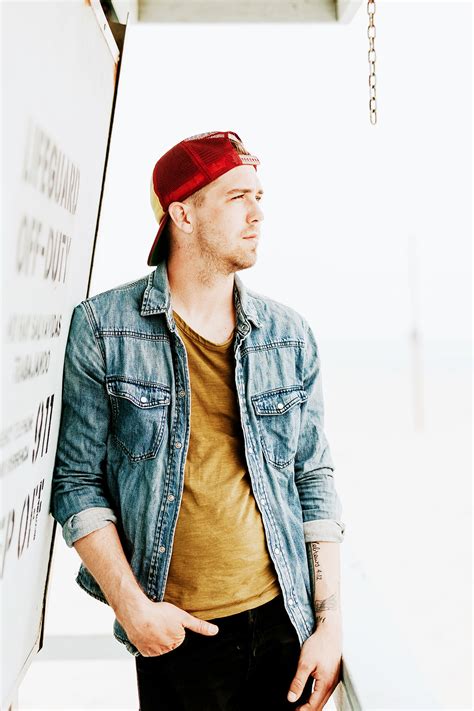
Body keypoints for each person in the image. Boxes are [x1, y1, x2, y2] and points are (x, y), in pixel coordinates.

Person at [51, 130, 346, 711]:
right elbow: (76, 483)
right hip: (177, 635)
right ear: (182, 214)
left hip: (283, 626)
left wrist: (329, 625)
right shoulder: (104, 329)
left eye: (259, 196)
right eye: (237, 197)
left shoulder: (289, 336)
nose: (258, 214)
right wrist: (132, 608)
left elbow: (313, 479)